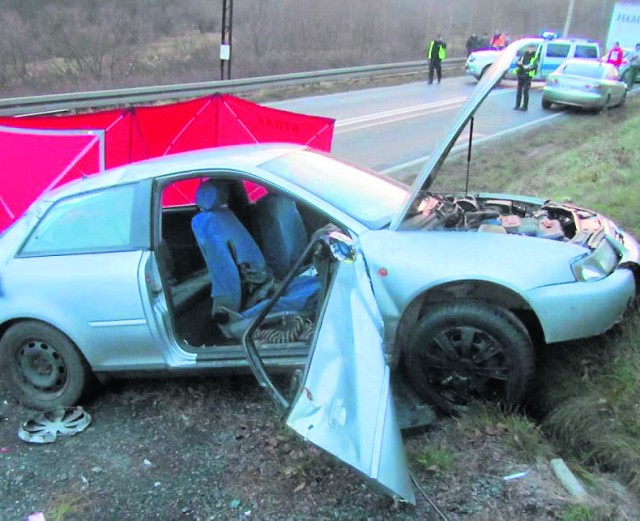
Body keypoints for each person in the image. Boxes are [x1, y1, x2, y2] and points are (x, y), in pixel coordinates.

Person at [514, 45, 539, 111]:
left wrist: (528, 67)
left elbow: (535, 66)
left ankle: (525, 107)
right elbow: (517, 62)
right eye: (529, 48)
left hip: (528, 76)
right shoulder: (523, 55)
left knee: (525, 91)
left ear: (534, 49)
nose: (530, 49)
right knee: (519, 91)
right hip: (521, 74)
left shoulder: (535, 57)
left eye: (532, 48)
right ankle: (517, 105)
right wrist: (519, 63)